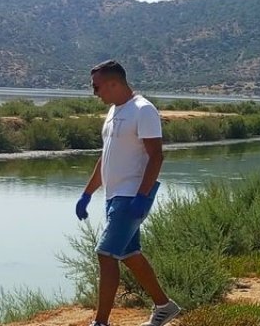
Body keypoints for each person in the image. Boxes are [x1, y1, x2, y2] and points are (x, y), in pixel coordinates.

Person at [74, 60, 181, 326]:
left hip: (131, 196)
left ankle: (100, 322)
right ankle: (164, 306)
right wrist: (87, 193)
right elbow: (107, 157)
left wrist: (142, 196)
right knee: (129, 255)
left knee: (105, 253)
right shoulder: (114, 111)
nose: (94, 92)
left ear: (114, 83)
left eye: (97, 87)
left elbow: (156, 156)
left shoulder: (143, 110)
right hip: (113, 196)